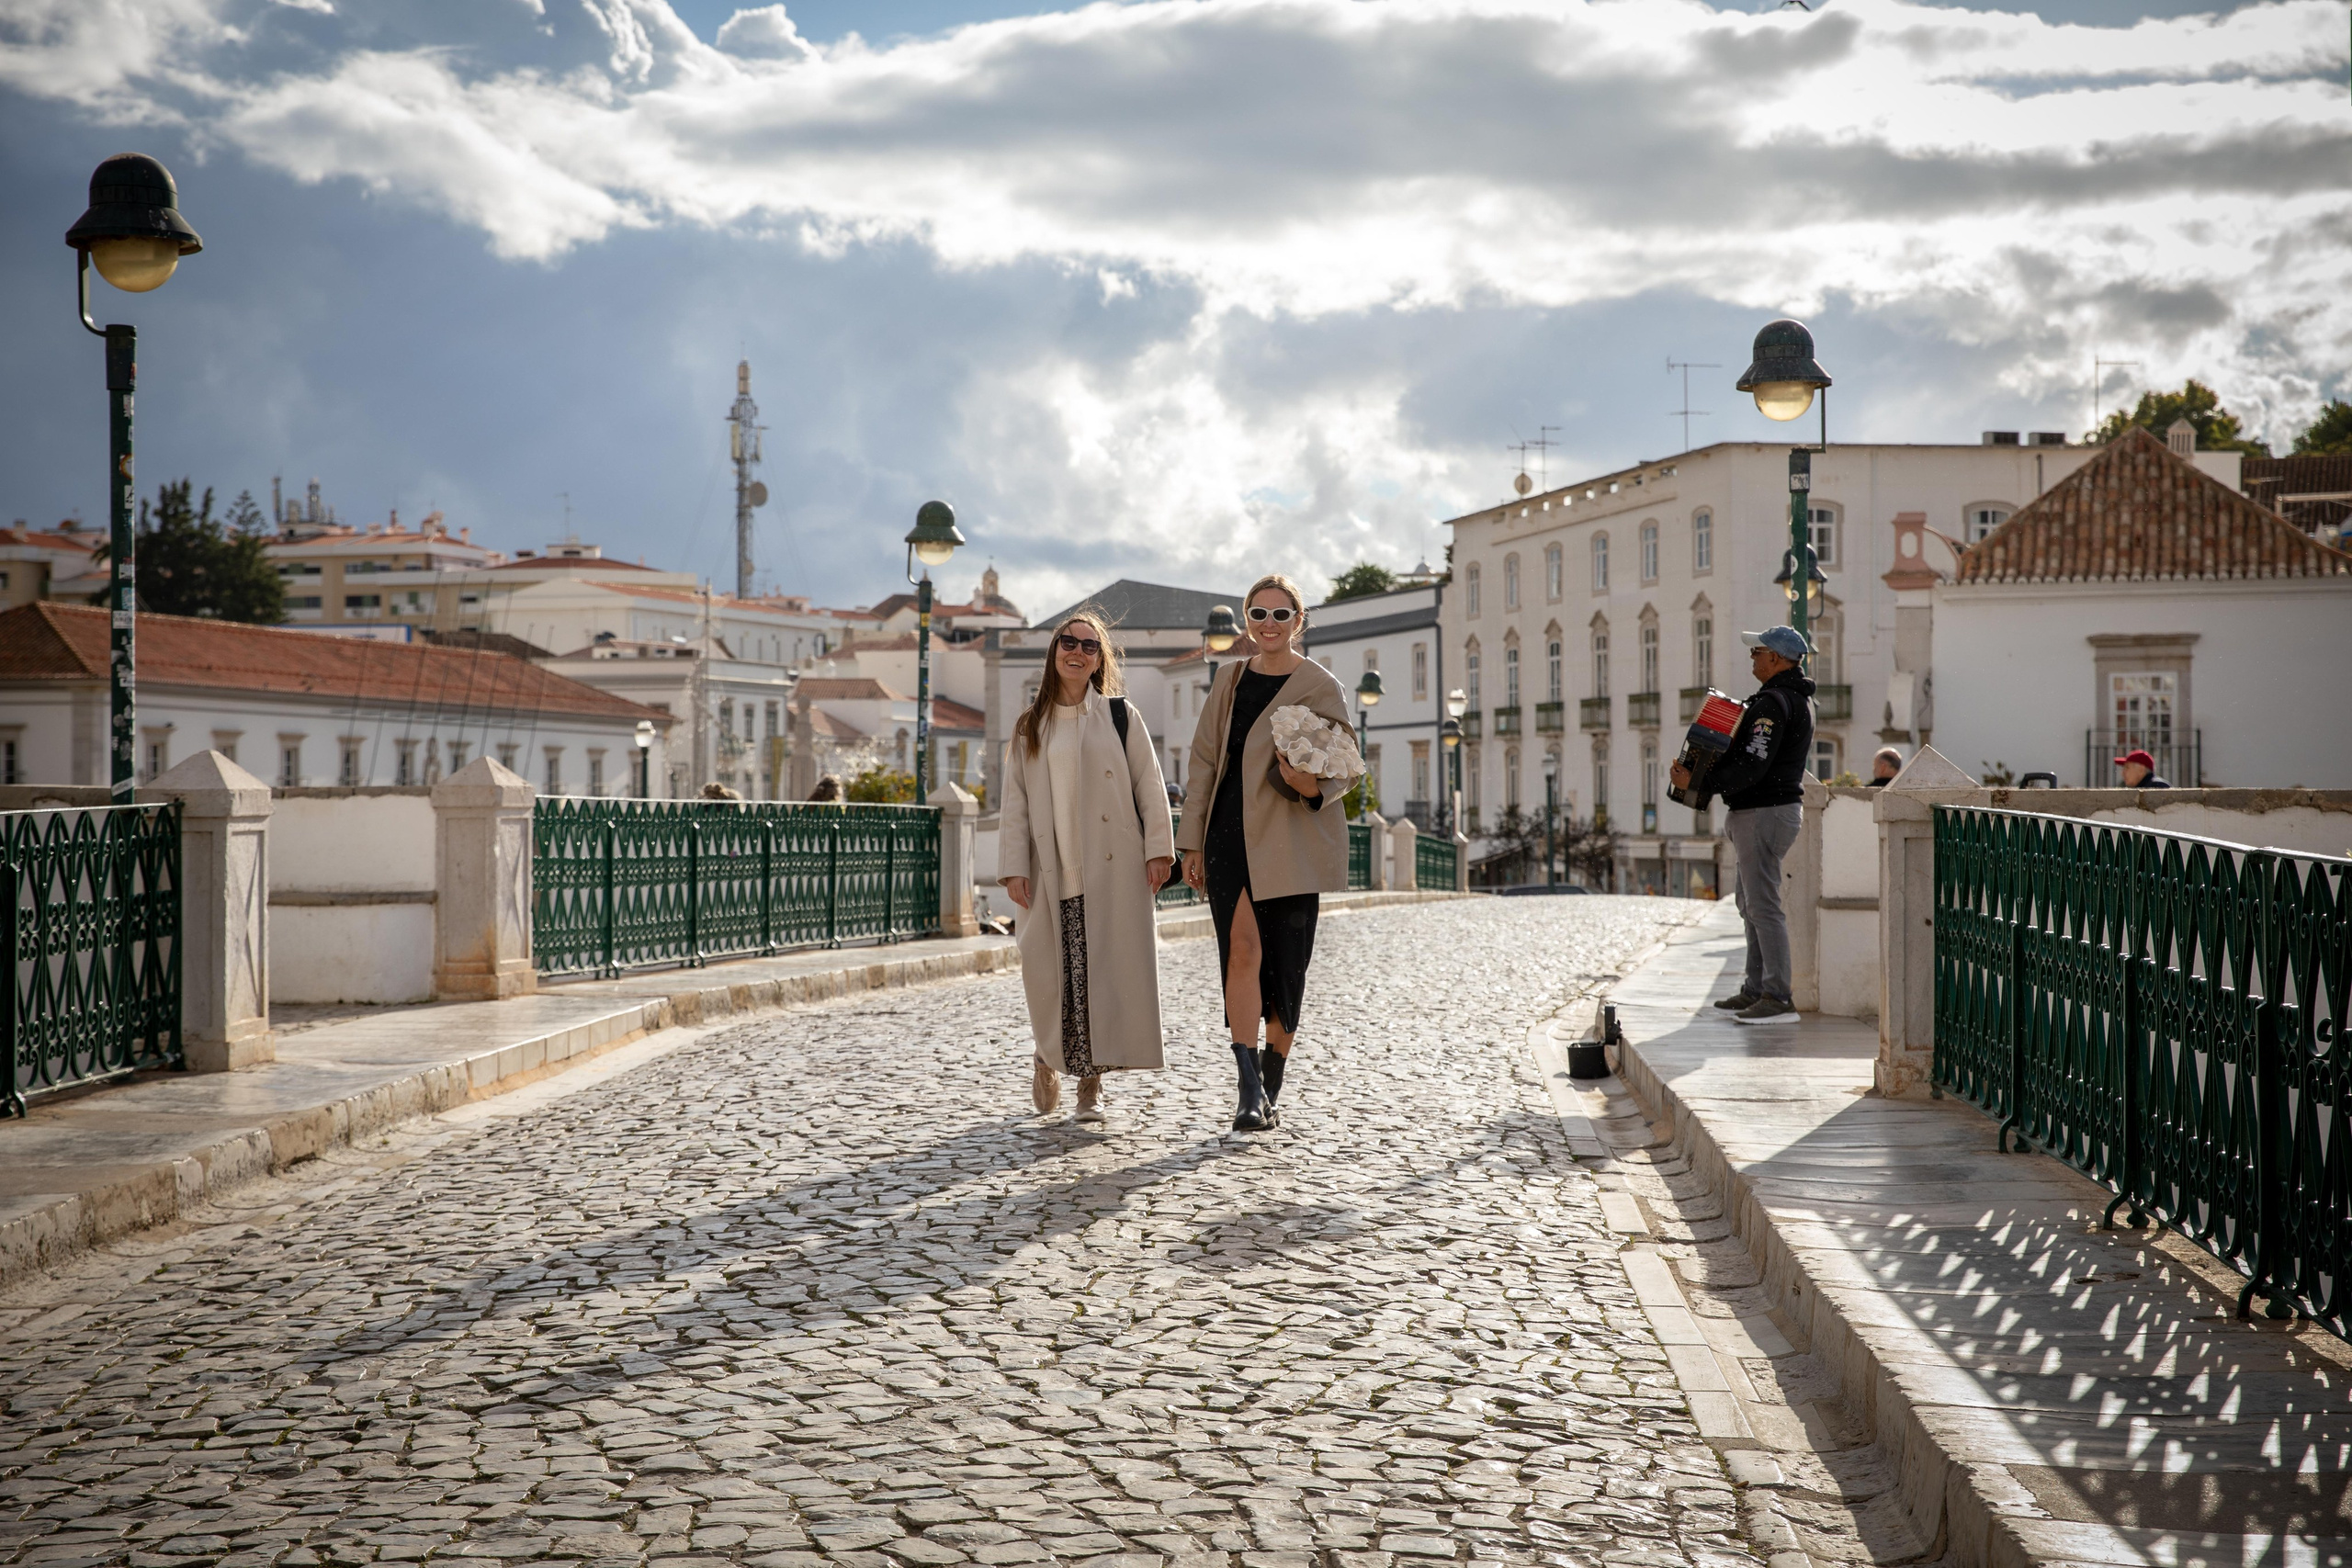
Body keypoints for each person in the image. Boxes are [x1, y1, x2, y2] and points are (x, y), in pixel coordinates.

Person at [1174, 574, 1354, 1131]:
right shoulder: (1227, 680)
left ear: (1299, 622)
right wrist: (1189, 841)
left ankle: (1270, 1082)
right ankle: (1247, 1091)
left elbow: (1344, 767)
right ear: (1247, 622)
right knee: (1241, 953)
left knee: (1287, 970)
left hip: (1291, 838)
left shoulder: (1321, 684)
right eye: (1258, 614)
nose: (1269, 624)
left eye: (1281, 615)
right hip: (1228, 834)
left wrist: (1305, 785)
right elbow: (1203, 763)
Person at [997, 610, 1176, 1124]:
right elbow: (1015, 803)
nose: (1077, 652)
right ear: (1054, 652)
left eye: (1089, 646)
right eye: (1067, 642)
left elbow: (1148, 784)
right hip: (1050, 870)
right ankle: (1047, 1054)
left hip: (1111, 870)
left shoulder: (1122, 716)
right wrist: (1013, 867)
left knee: (1100, 980)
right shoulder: (1031, 727)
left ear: (1100, 660)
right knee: (1053, 977)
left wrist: (1158, 849)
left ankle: (1090, 1089)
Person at [1670, 625, 1815, 1026]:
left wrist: (1699, 783)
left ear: (1776, 659)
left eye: (1758, 651)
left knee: (1763, 906)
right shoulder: (1789, 700)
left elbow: (1754, 764)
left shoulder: (1772, 704)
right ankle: (1756, 989)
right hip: (1765, 811)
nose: (1752, 656)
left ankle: (1777, 997)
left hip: (1763, 812)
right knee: (1749, 903)